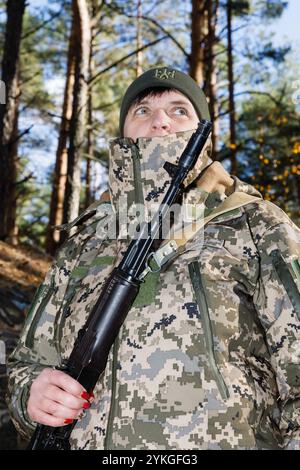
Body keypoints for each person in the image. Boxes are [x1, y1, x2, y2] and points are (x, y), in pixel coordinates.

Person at [6, 66, 300, 450]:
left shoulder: (257, 224)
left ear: (202, 131)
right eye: (142, 110)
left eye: (179, 110)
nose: (160, 120)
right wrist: (31, 395)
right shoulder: (84, 243)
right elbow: (26, 364)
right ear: (124, 132)